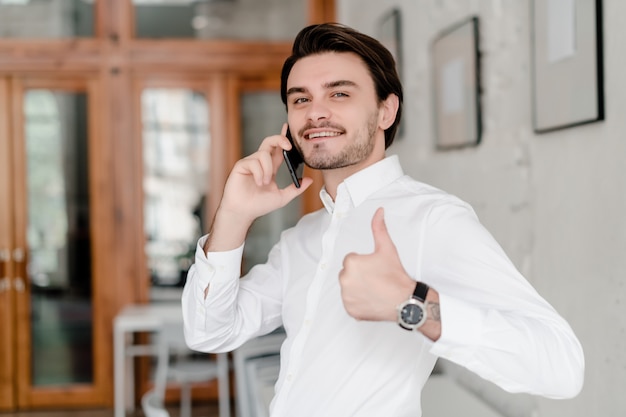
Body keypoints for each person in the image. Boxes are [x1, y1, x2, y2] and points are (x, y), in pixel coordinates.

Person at [182, 23, 584, 417]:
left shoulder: (434, 218)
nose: (316, 112)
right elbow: (210, 332)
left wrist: (412, 303)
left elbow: (562, 369)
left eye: (339, 93)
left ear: (386, 111)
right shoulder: (302, 237)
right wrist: (234, 215)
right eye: (300, 99)